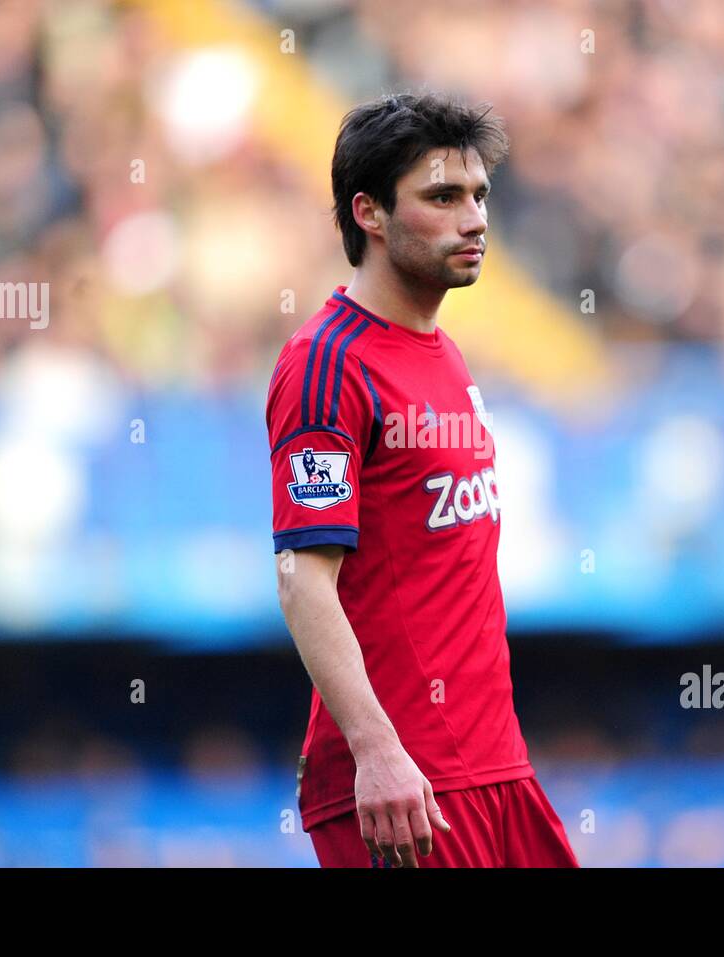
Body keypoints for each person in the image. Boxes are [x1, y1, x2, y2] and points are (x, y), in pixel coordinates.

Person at [266, 92, 578, 867]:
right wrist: (377, 750)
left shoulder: (447, 355)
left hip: (496, 767)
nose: (473, 219)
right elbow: (303, 580)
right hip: (408, 787)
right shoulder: (326, 364)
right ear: (369, 213)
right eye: (442, 197)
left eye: (479, 196)